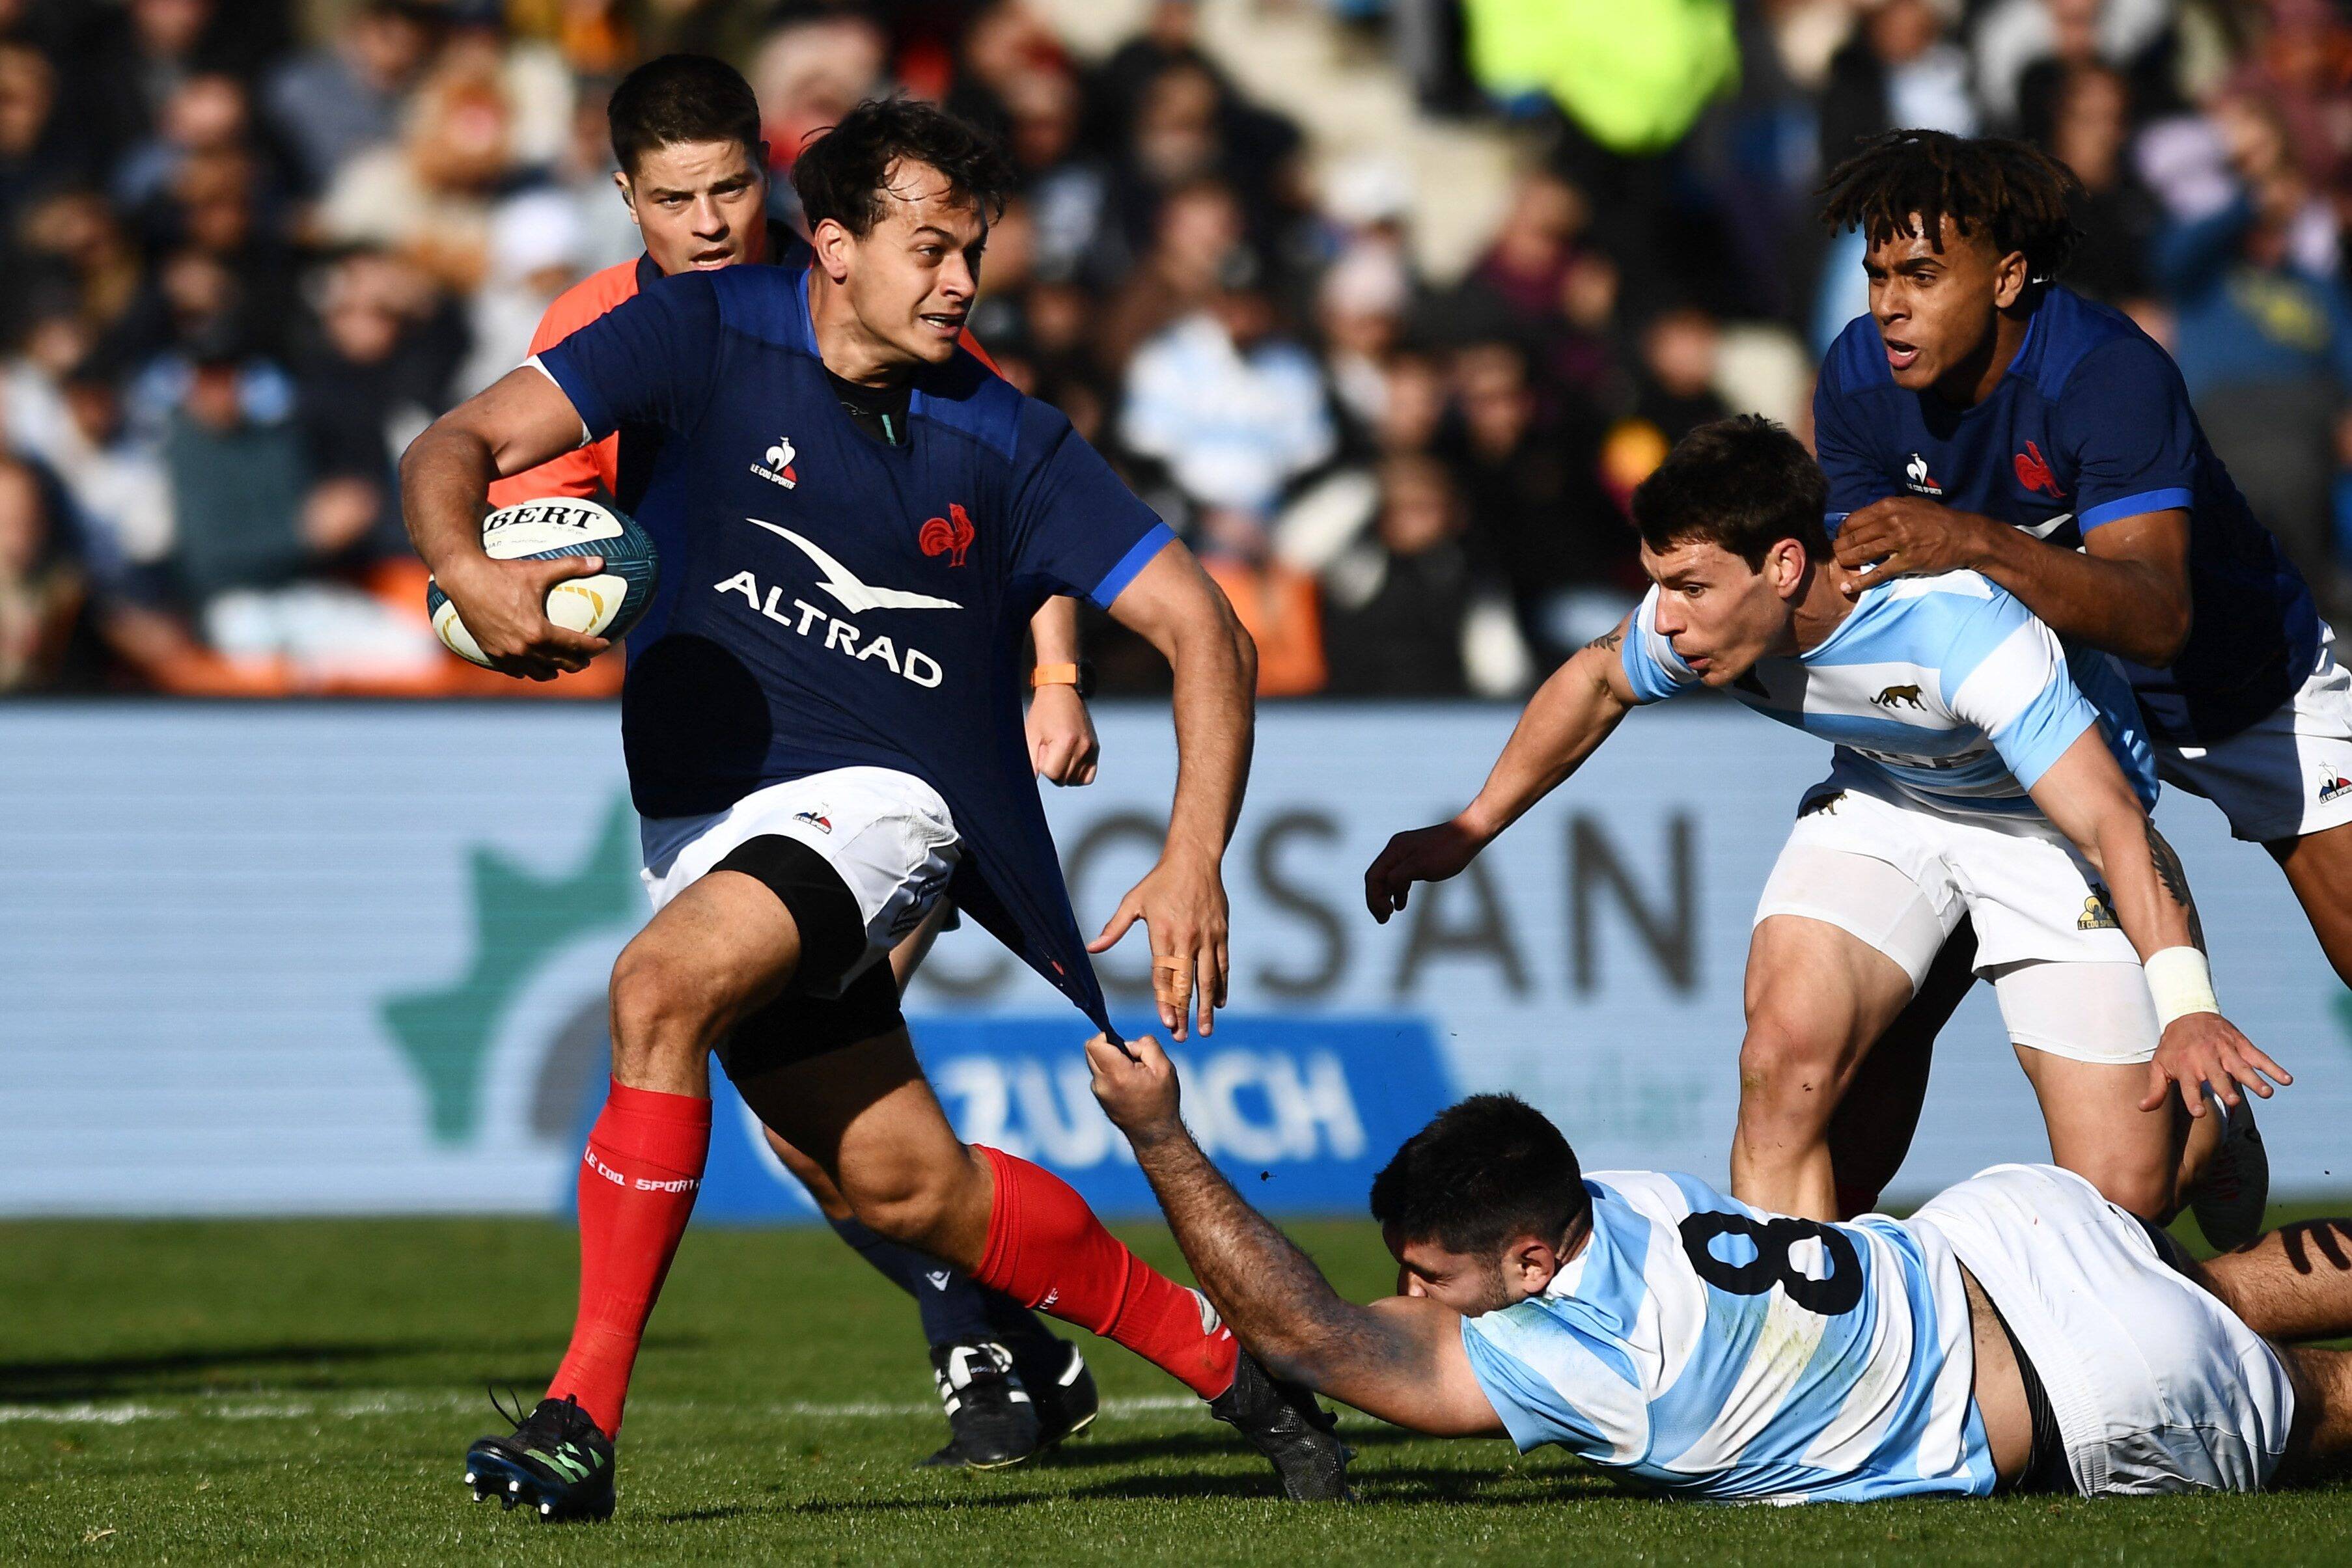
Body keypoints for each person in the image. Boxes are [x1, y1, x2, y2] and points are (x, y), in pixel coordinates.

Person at [403, 94, 1351, 1521]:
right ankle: (1245, 1376)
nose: (961, 281)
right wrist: (466, 570)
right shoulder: (695, 331)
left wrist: (1194, 849)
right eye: (930, 248)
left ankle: (577, 1419)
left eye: (971, 250)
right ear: (833, 244)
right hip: (704, 819)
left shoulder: (1009, 436)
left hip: (889, 804)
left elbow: (1205, 628)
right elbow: (452, 447)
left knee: (656, 990)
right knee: (908, 1189)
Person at [486, 53, 1103, 1472]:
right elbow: (551, 538)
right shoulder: (600, 328)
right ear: (624, 195)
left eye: (729, 189)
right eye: (675, 198)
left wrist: (1051, 675)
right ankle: (1054, 1342)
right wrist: (521, 597)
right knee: (821, 1137)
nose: (710, 221)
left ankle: (979, 1351)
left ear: (770, 182)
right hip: (725, 762)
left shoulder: (857, 281)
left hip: (895, 745)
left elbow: (1023, 481)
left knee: (785, 1060)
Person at [1364, 416, 2288, 1231]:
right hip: (1891, 800)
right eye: (1659, 585)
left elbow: (2111, 826)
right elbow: (1595, 679)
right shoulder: (1699, 623)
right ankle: (1799, 1357)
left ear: (1783, 565)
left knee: (2120, 1201)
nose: (1666, 620)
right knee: (1779, 1061)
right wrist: (1469, 827)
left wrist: (2188, 1010)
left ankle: (2212, 1124)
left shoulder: (1955, 630)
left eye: (1689, 586)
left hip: (2043, 830)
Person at [1811, 129, 2352, 1217]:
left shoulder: (2105, 373)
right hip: (2020, 715)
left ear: (2007, 276)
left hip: (2238, 688)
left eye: (1921, 273)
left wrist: (1968, 540)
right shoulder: (1857, 380)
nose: (1887, 304)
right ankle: (1829, 1298)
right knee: (1884, 1015)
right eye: (1876, 274)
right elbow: (1861, 599)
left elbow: (2156, 618)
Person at [1084, 1042, 2352, 1504]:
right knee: (2220, 1290)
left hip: (2077, 1384)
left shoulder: (1587, 1362)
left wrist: (1158, 1133)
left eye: (1428, 1275)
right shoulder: (1631, 1195)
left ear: (1531, 1254)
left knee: (2320, 1403)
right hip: (2003, 1229)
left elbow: (1307, 1335)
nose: (1414, 1299)